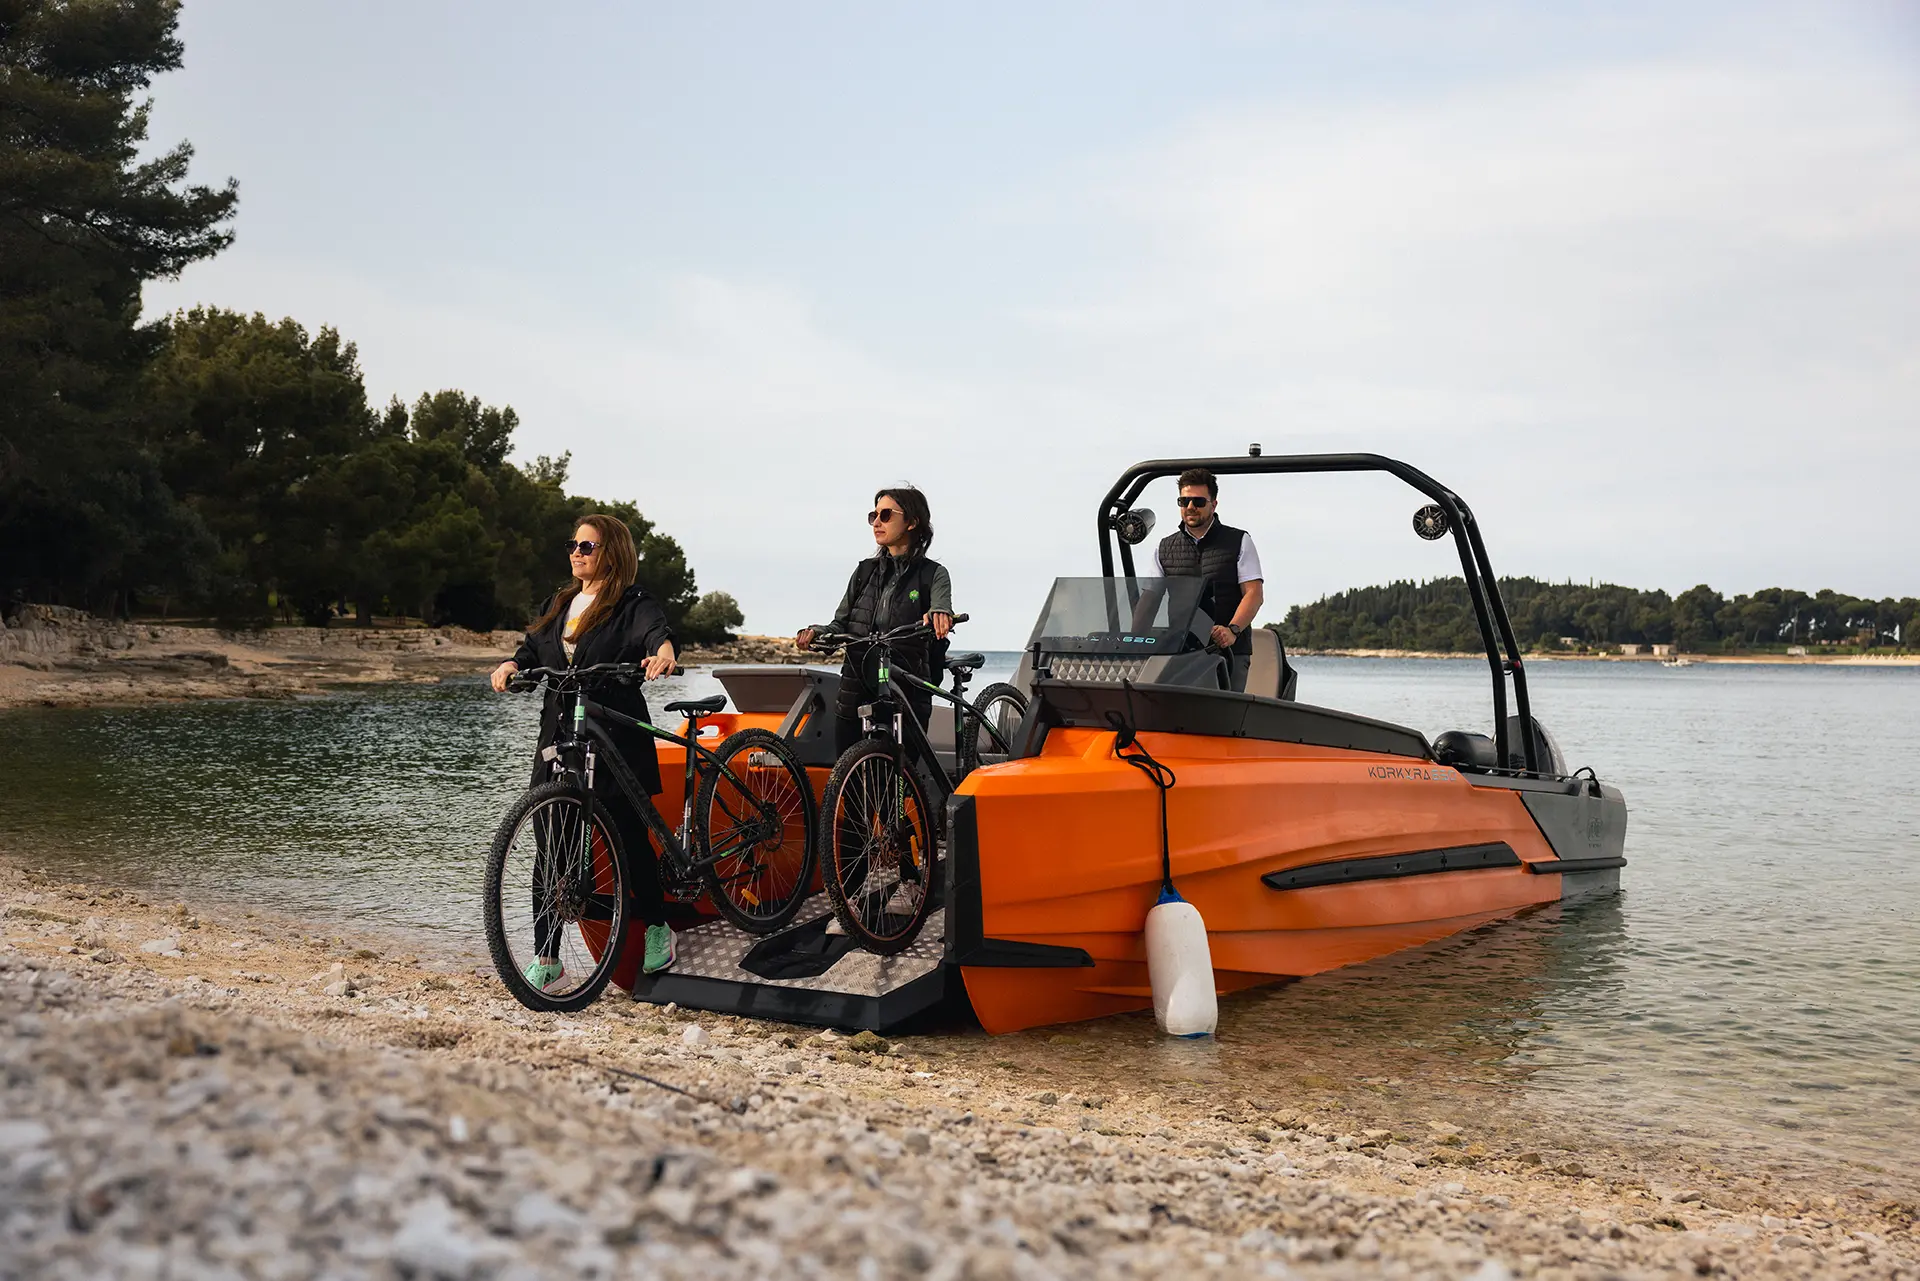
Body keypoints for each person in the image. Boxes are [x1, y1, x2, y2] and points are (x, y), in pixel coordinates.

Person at [489, 514, 680, 987]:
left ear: (611, 552)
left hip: (612, 732)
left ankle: (658, 928)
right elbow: (532, 648)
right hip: (559, 734)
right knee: (550, 843)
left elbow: (657, 633)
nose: (576, 553)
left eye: (587, 546)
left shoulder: (632, 602)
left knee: (632, 837)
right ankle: (547, 957)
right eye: (573, 544)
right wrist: (512, 663)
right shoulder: (562, 602)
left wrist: (664, 652)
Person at [794, 486, 955, 757]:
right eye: (874, 515)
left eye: (886, 514)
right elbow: (840, 624)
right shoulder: (864, 571)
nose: (877, 522)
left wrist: (938, 614)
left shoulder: (933, 575)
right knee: (848, 783)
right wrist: (816, 633)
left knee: (899, 780)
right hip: (854, 687)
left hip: (906, 690)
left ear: (912, 521)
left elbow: (942, 609)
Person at [1150, 467, 1266, 691]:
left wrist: (1232, 630)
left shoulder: (1239, 541)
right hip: (1181, 652)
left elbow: (1254, 594)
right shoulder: (1163, 547)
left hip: (1230, 651)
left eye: (1198, 502)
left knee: (1223, 721)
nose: (1190, 507)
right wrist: (1132, 639)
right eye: (1184, 502)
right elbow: (1150, 598)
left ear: (1214, 504)